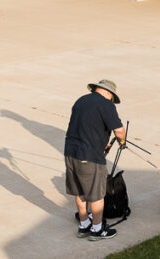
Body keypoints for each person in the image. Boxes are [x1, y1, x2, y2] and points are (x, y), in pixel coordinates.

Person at [65, 79, 126, 241]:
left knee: (80, 191)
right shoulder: (106, 104)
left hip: (70, 152)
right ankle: (97, 230)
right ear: (109, 93)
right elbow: (119, 130)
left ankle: (84, 224)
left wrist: (102, 143)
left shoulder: (81, 101)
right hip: (90, 156)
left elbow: (87, 126)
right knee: (97, 194)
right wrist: (122, 142)